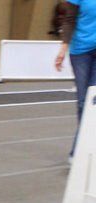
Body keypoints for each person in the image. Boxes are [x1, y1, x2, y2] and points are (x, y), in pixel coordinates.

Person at [55, 0, 96, 160]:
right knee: (82, 103)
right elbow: (69, 20)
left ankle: (78, 152)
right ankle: (83, 148)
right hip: (81, 52)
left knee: (93, 102)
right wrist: (62, 49)